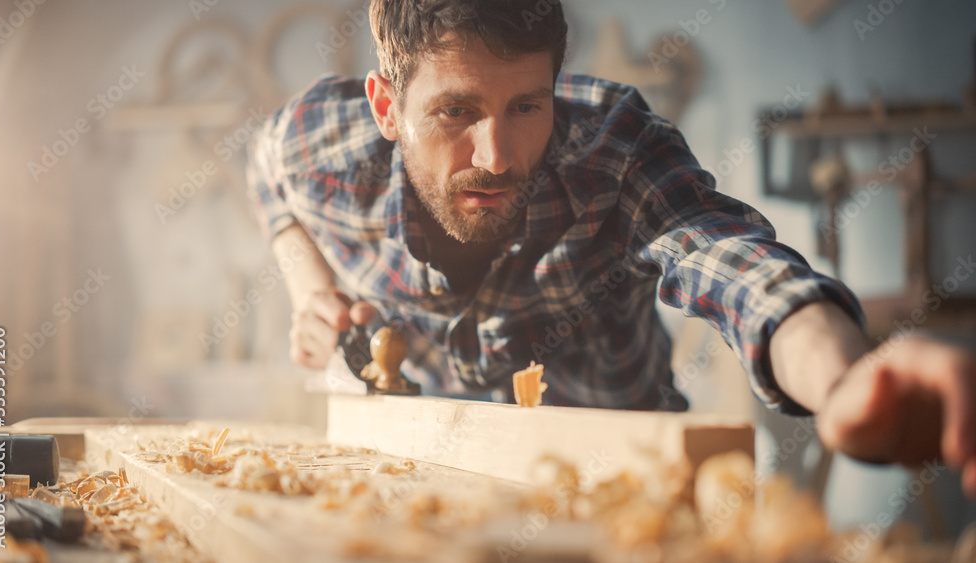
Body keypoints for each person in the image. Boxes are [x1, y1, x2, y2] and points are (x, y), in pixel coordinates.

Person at [246, 0, 976, 496]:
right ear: (385, 107)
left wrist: (844, 377)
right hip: (427, 479)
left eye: (526, 105)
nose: (497, 157)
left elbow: (736, 266)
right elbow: (265, 175)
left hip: (619, 488)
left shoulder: (614, 151)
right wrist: (310, 285)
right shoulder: (320, 140)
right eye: (456, 111)